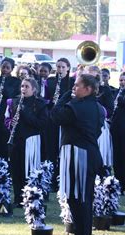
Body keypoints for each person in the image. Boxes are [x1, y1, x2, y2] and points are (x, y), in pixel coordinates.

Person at [51, 74, 105, 235]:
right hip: (89, 154)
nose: (74, 88)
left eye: (76, 85)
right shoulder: (98, 107)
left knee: (77, 199)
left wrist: (65, 96)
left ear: (88, 89)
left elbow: (55, 116)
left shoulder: (76, 106)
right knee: (83, 198)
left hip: (78, 155)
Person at [5, 78, 46, 207]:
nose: (23, 89)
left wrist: (24, 113)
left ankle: (30, 197)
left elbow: (41, 124)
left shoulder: (40, 104)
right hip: (16, 140)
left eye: (27, 86)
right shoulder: (13, 102)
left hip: (31, 141)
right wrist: (11, 124)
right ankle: (18, 198)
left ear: (34, 89)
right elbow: (6, 119)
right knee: (16, 170)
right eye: (22, 86)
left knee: (28, 169)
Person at [45, 58, 75, 191]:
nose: (60, 70)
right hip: (52, 119)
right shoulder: (50, 81)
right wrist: (51, 101)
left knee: (64, 150)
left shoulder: (72, 82)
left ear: (68, 68)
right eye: (58, 67)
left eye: (63, 67)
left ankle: (64, 179)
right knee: (51, 150)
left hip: (66, 119)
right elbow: (44, 97)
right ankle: (52, 180)